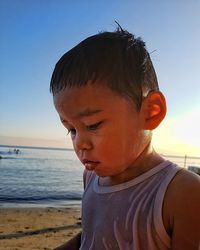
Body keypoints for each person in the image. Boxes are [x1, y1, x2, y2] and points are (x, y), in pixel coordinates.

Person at [50, 25, 200, 250]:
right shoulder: (90, 178)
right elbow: (91, 236)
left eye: (93, 125)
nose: (79, 143)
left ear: (151, 112)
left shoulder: (182, 193)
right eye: (71, 129)